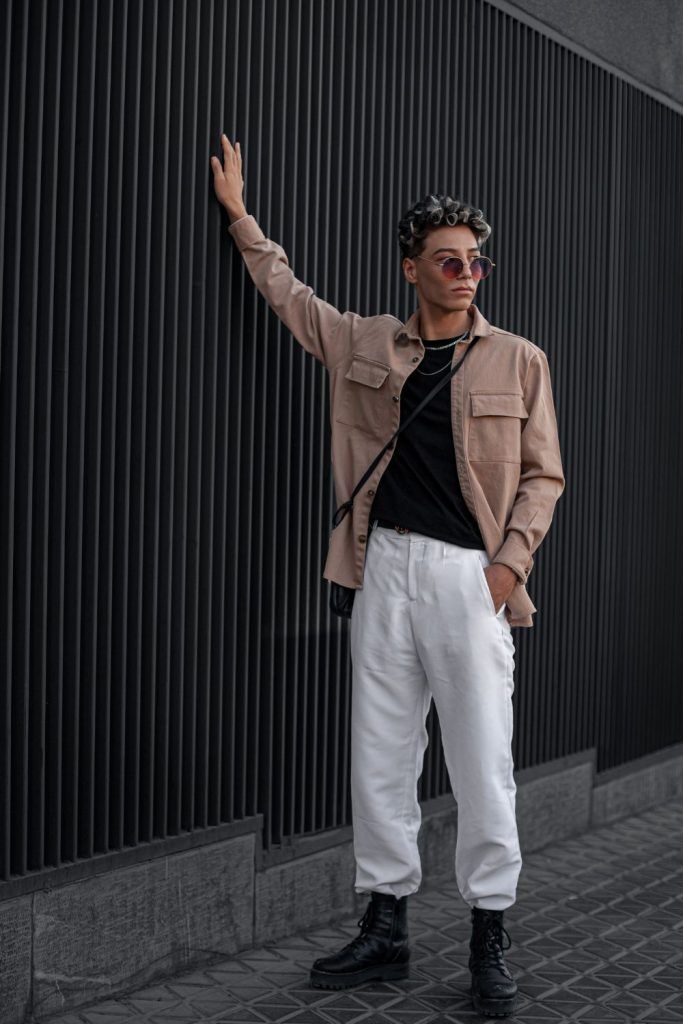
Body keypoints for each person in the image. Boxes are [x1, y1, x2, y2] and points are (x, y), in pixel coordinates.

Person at [211, 133, 565, 1018]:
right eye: (447, 259)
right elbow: (289, 296)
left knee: (480, 762)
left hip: (466, 580)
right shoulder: (366, 341)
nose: (465, 272)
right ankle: (384, 925)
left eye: (475, 260)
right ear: (411, 268)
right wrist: (242, 218)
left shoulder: (518, 358)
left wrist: (506, 568)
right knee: (379, 753)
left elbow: (543, 475)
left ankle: (488, 933)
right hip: (383, 569)